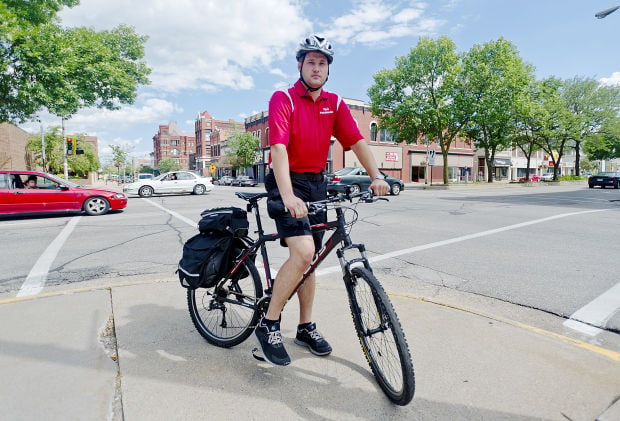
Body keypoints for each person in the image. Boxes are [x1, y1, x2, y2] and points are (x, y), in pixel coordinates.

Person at [254, 34, 389, 366]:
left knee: (310, 261)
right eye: (310, 62)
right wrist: (287, 195)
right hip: (287, 180)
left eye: (322, 63)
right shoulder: (283, 98)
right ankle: (269, 323)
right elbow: (279, 149)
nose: (316, 68)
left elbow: (356, 141)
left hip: (317, 183)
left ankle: (304, 326)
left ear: (328, 69)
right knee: (304, 252)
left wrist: (377, 175)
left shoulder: (335, 102)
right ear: (300, 65)